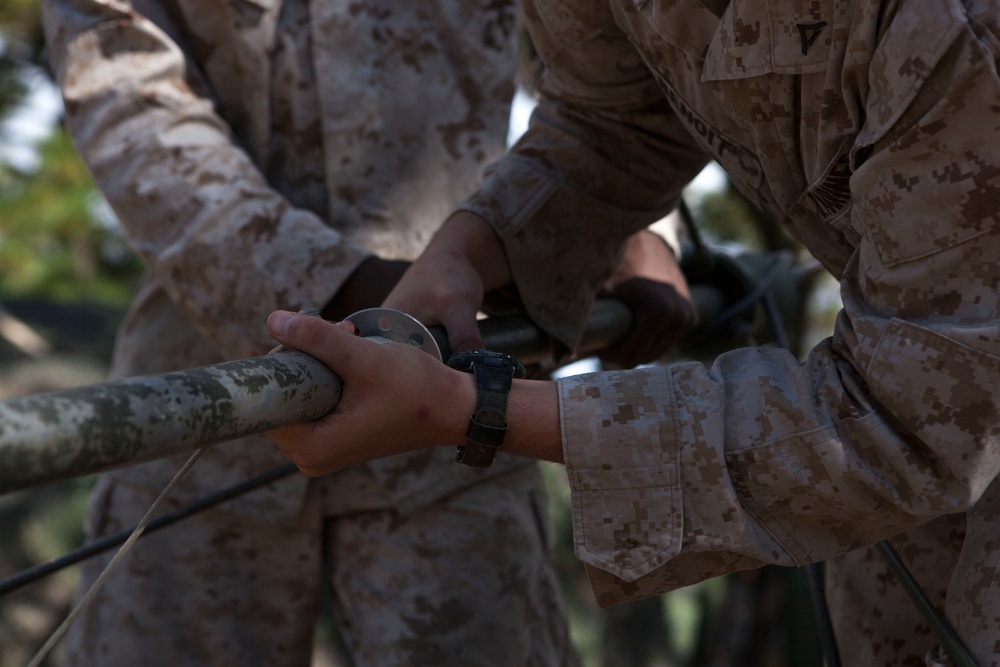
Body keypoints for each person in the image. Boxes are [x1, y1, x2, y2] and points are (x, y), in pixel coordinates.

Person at [264, 1, 1000, 666]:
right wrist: (483, 235)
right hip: (916, 486)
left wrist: (476, 410)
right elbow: (614, 114)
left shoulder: (957, 28)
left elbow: (907, 418)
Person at [40, 1, 694, 664]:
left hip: (458, 415)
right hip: (202, 420)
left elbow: (609, 53)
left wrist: (635, 232)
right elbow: (128, 103)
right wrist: (345, 285)